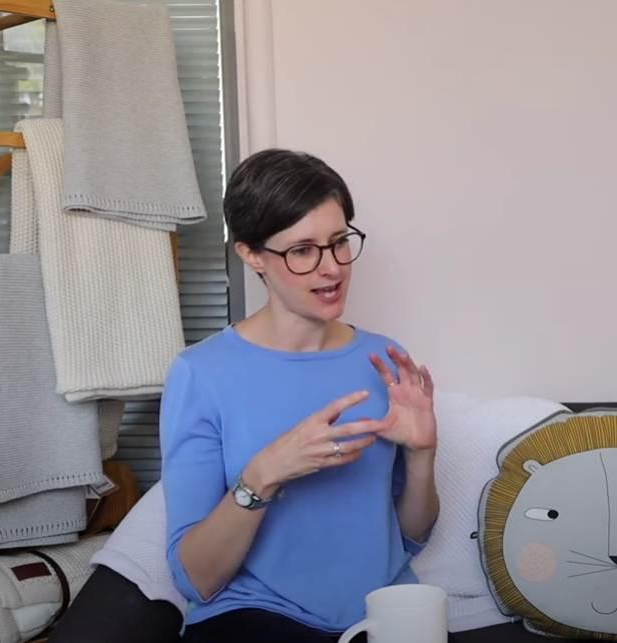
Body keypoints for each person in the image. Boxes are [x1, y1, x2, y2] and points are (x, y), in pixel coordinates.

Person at [160, 149, 440, 643]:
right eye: (303, 250)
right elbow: (195, 578)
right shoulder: (200, 374)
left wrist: (422, 456)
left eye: (338, 242)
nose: (331, 268)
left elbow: (411, 536)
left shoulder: (384, 360)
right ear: (251, 255)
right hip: (256, 616)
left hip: (383, 612)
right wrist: (264, 474)